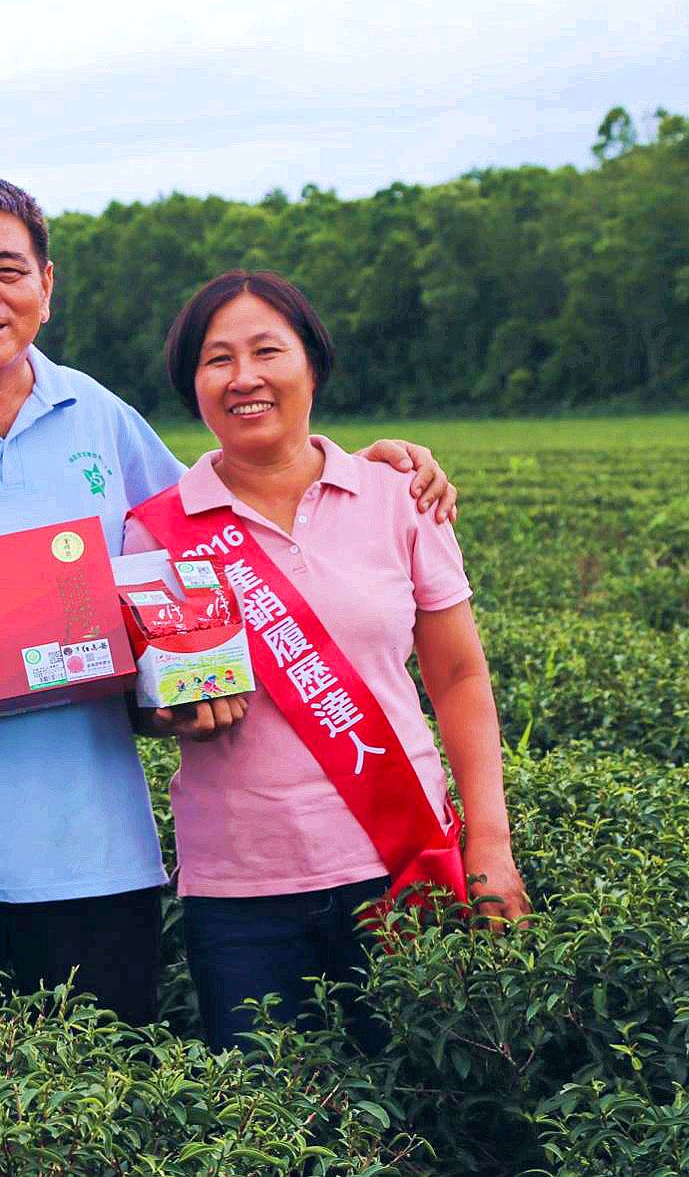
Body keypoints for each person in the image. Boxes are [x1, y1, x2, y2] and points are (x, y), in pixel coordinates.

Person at [0, 173, 458, 1026]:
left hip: (99, 864)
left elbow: (222, 523)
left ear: (47, 287)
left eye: (8, 269)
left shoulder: (95, 414)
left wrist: (357, 464)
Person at [121, 269, 532, 1053]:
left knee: (423, 1110)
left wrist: (491, 843)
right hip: (241, 898)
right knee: (266, 1128)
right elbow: (144, 703)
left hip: (403, 865)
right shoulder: (157, 533)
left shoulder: (398, 496)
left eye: (267, 350)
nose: (244, 377)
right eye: (216, 360)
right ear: (193, 387)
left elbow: (458, 678)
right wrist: (167, 712)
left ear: (312, 364)